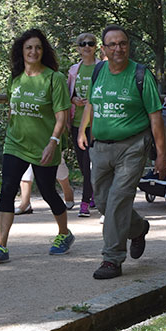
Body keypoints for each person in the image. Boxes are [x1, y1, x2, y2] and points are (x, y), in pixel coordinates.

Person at [77, 25, 166, 280]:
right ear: (104, 49)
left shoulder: (141, 75)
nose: (119, 48)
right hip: (101, 147)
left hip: (133, 146)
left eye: (123, 43)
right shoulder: (98, 71)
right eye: (113, 44)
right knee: (105, 202)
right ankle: (138, 228)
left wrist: (162, 155)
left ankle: (112, 258)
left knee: (118, 200)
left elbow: (156, 117)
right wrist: (83, 130)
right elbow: (92, 103)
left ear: (128, 46)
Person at [0, 30, 74, 264]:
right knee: (7, 190)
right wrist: (11, 132)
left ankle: (64, 233)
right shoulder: (15, 78)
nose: (33, 52)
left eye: (38, 48)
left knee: (47, 191)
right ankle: (1, 246)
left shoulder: (54, 79)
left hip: (45, 145)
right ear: (21, 52)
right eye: (29, 48)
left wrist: (53, 143)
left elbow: (61, 116)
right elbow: (12, 110)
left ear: (43, 51)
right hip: (15, 144)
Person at [68, 32, 99, 217]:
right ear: (78, 48)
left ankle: (85, 202)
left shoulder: (102, 68)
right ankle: (93, 192)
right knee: (82, 163)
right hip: (76, 121)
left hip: (95, 124)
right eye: (83, 44)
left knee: (89, 162)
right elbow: (67, 93)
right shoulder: (74, 70)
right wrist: (74, 100)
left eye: (90, 43)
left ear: (96, 47)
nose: (87, 46)